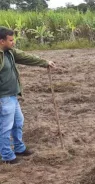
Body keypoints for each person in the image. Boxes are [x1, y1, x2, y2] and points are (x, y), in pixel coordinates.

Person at [0, 26, 56, 164]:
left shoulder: (10, 52)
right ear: (1, 41)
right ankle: (7, 156)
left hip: (12, 95)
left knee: (18, 122)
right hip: (3, 98)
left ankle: (19, 148)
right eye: (11, 40)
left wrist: (44, 63)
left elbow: (26, 57)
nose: (13, 42)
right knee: (5, 127)